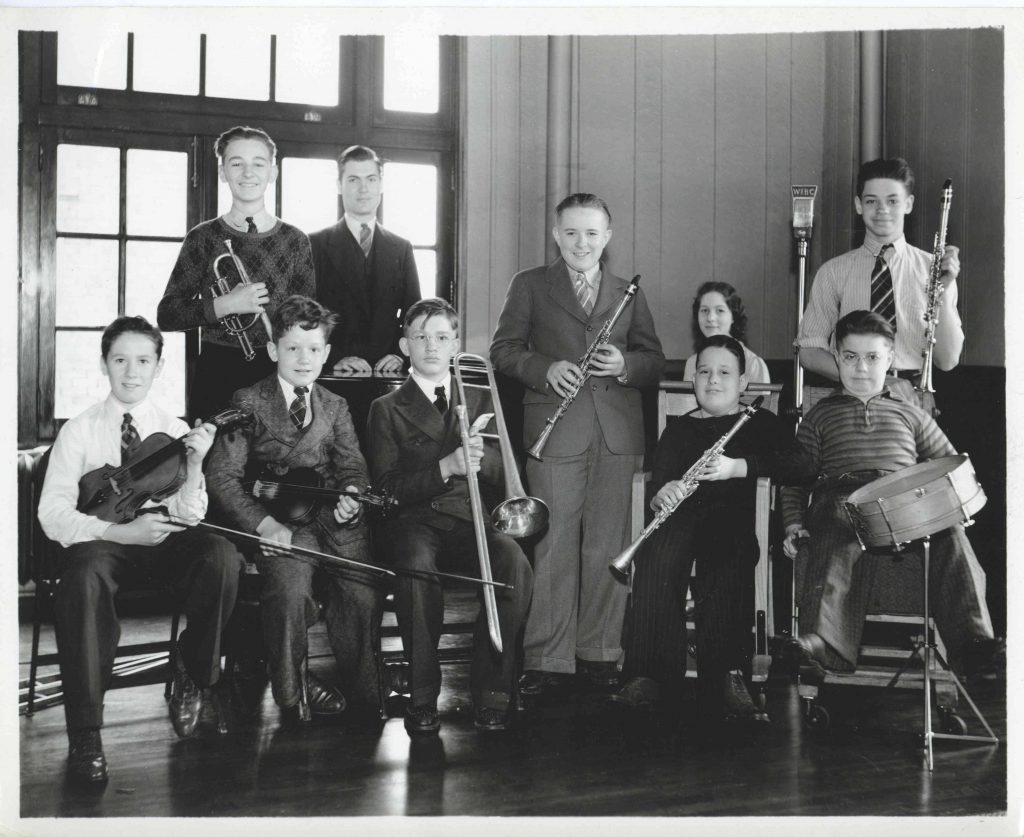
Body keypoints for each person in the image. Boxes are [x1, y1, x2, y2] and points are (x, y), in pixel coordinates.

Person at [37, 316, 244, 784]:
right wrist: (116, 533)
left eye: (143, 361)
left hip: (161, 543)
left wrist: (194, 466)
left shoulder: (172, 427)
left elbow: (189, 516)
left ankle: (194, 668)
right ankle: (86, 733)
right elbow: (52, 514)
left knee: (222, 555)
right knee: (84, 578)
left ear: (159, 366)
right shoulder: (80, 430)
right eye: (121, 360)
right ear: (105, 365)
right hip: (105, 546)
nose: (131, 372)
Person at [490, 193, 665, 695]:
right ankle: (547, 658)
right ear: (555, 234)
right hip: (555, 431)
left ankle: (600, 653)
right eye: (571, 233)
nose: (581, 243)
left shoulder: (627, 291)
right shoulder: (529, 285)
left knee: (608, 547)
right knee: (554, 545)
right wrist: (545, 370)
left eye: (591, 233)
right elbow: (503, 350)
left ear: (608, 236)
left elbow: (654, 358)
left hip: (618, 435)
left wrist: (626, 365)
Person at [781, 310, 1002, 682]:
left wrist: (949, 504)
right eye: (850, 357)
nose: (861, 368)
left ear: (889, 360)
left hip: (904, 502)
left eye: (872, 357)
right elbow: (795, 480)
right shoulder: (819, 416)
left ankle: (975, 646)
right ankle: (820, 643)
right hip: (842, 495)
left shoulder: (910, 413)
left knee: (951, 532)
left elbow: (950, 465)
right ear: (836, 358)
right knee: (837, 516)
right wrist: (793, 523)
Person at [611, 335, 811, 721]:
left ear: (742, 384)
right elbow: (659, 482)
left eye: (724, 372)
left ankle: (725, 675)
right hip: (681, 519)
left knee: (729, 558)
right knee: (656, 554)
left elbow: (803, 466)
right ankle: (649, 675)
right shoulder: (680, 430)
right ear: (694, 379)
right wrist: (661, 494)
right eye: (704, 371)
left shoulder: (759, 422)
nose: (713, 380)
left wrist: (741, 466)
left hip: (730, 520)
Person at [206, 295, 384, 724]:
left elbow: (352, 465)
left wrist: (352, 495)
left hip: (333, 522)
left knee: (363, 591)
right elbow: (222, 477)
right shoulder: (248, 401)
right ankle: (291, 687)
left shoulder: (336, 404)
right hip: (282, 521)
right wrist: (263, 524)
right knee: (290, 590)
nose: (304, 359)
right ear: (273, 350)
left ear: (326, 352)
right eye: (292, 348)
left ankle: (365, 692)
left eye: (314, 349)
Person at [367, 298, 534, 735]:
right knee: (418, 569)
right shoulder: (385, 408)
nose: (431, 346)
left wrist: (481, 458)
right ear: (405, 345)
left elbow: (505, 472)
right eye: (420, 337)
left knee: (513, 563)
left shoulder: (479, 394)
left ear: (456, 343)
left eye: (441, 337)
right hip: (413, 523)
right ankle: (422, 696)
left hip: (468, 519)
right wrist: (449, 465)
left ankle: (493, 692)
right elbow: (385, 492)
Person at [158, 125, 316, 421]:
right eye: (236, 163)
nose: (248, 173)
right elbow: (167, 314)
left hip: (278, 371)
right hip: (218, 374)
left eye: (258, 163)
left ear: (273, 172)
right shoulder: (202, 237)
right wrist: (227, 305)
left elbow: (308, 324)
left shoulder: (296, 241)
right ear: (222, 172)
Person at [796, 157, 964, 391]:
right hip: (851, 395)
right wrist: (861, 379)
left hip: (913, 397)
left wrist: (943, 293)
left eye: (893, 201)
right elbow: (809, 351)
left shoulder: (934, 269)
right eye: (871, 201)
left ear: (909, 204)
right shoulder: (833, 272)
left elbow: (947, 360)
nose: (882, 210)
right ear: (858, 205)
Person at [309, 145, 421, 376]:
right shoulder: (315, 244)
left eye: (371, 179)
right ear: (339, 186)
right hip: (335, 373)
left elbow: (414, 315)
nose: (363, 189)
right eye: (353, 180)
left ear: (381, 185)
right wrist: (336, 357)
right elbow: (306, 315)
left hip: (387, 374)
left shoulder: (401, 248)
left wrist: (400, 354)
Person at [682, 282, 770, 384]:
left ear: (733, 316)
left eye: (720, 310)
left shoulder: (753, 364)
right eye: (704, 310)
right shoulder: (692, 363)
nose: (710, 318)